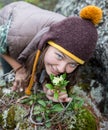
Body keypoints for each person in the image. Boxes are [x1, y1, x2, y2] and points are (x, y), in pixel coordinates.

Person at [0, 1, 102, 102]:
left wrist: (49, 86)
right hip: (11, 20)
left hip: (32, 30)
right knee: (13, 74)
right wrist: (19, 69)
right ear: (46, 44)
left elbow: (49, 62)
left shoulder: (61, 41)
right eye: (59, 56)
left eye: (73, 64)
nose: (62, 69)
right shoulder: (19, 35)